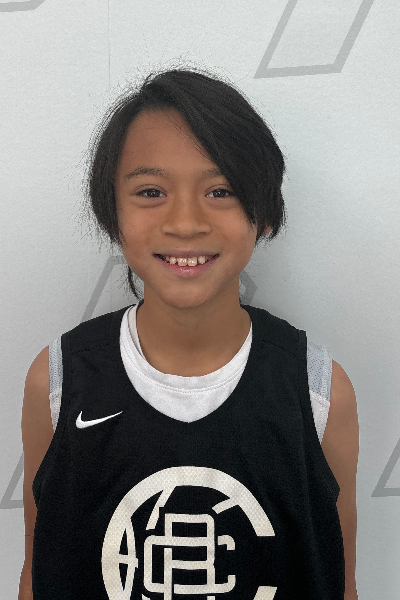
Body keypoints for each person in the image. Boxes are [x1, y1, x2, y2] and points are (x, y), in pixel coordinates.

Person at [19, 67, 359, 599]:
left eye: (221, 190)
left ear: (265, 213)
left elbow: (340, 581)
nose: (184, 222)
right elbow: (37, 573)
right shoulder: (59, 382)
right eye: (151, 191)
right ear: (112, 212)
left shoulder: (318, 391)